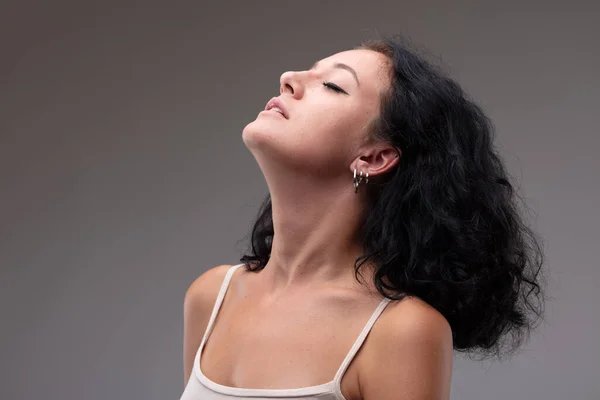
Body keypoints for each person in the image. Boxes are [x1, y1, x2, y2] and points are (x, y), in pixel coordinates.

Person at [180, 36, 546, 400]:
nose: (289, 77)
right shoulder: (211, 297)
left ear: (374, 158)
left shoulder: (400, 330)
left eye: (332, 85)